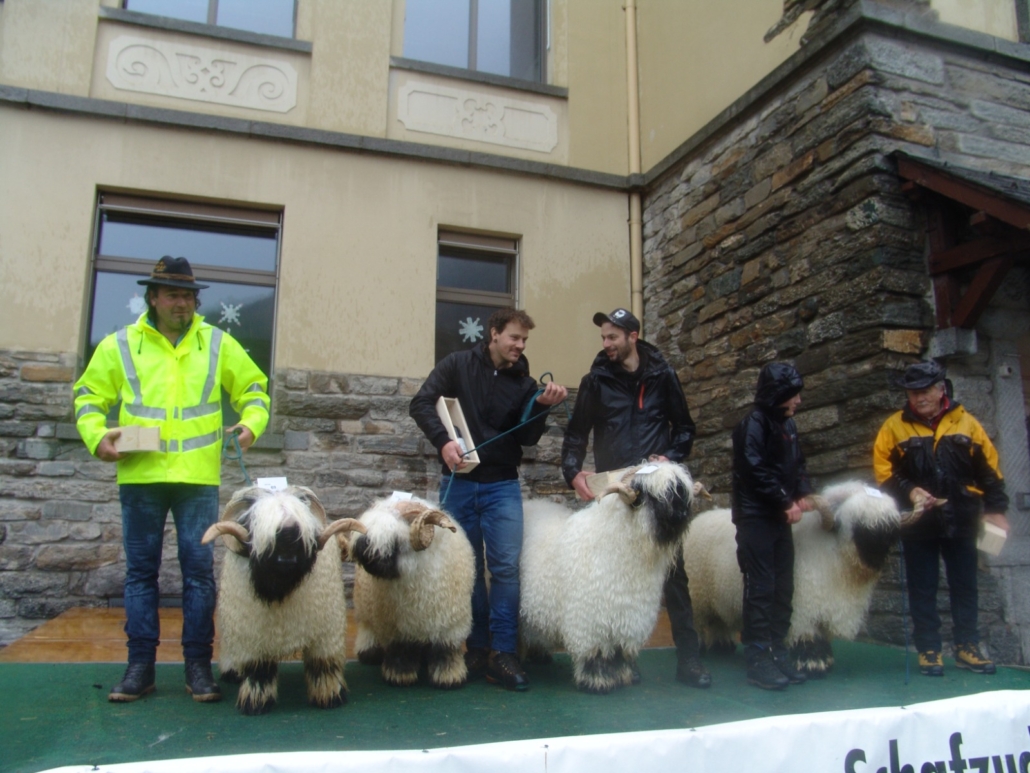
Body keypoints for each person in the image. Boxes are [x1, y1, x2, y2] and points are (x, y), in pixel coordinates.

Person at [74, 256, 270, 703]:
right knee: (141, 574)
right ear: (153, 298)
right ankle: (139, 667)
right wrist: (97, 437)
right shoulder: (120, 344)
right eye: (173, 295)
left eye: (188, 296)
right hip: (139, 476)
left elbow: (255, 390)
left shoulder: (217, 343)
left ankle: (197, 666)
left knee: (198, 574)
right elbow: (88, 396)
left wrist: (251, 425)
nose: (183, 302)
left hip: (197, 479)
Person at [409, 307, 567, 691]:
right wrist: (443, 442)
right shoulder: (456, 364)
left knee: (505, 570)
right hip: (459, 483)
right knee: (470, 570)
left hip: (502, 486)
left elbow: (527, 438)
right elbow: (421, 403)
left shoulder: (525, 384)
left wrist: (541, 407)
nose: (520, 345)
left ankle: (504, 653)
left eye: (524, 340)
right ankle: (477, 647)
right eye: (514, 337)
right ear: (494, 333)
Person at [561, 308, 710, 688]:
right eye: (603, 338)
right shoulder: (595, 381)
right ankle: (621, 654)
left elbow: (685, 428)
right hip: (617, 495)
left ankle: (689, 660)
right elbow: (576, 433)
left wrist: (670, 457)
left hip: (657, 495)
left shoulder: (663, 376)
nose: (606, 344)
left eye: (612, 337)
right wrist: (573, 471)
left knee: (674, 577)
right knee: (614, 577)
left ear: (633, 336)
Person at [873, 360, 1009, 676]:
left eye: (924, 391)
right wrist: (911, 491)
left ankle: (967, 647)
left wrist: (996, 509)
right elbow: (883, 473)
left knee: (965, 585)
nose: (919, 398)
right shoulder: (893, 427)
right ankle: (929, 649)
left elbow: (990, 470)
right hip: (919, 520)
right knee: (922, 587)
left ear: (940, 390)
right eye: (912, 393)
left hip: (962, 517)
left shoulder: (967, 423)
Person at [731, 362, 812, 690]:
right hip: (755, 518)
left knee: (783, 587)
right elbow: (753, 469)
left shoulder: (788, 425)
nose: (798, 401)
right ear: (778, 394)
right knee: (761, 588)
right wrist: (784, 501)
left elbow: (798, 463)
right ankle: (758, 656)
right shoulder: (752, 424)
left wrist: (802, 492)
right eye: (793, 395)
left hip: (778, 519)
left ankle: (778, 649)